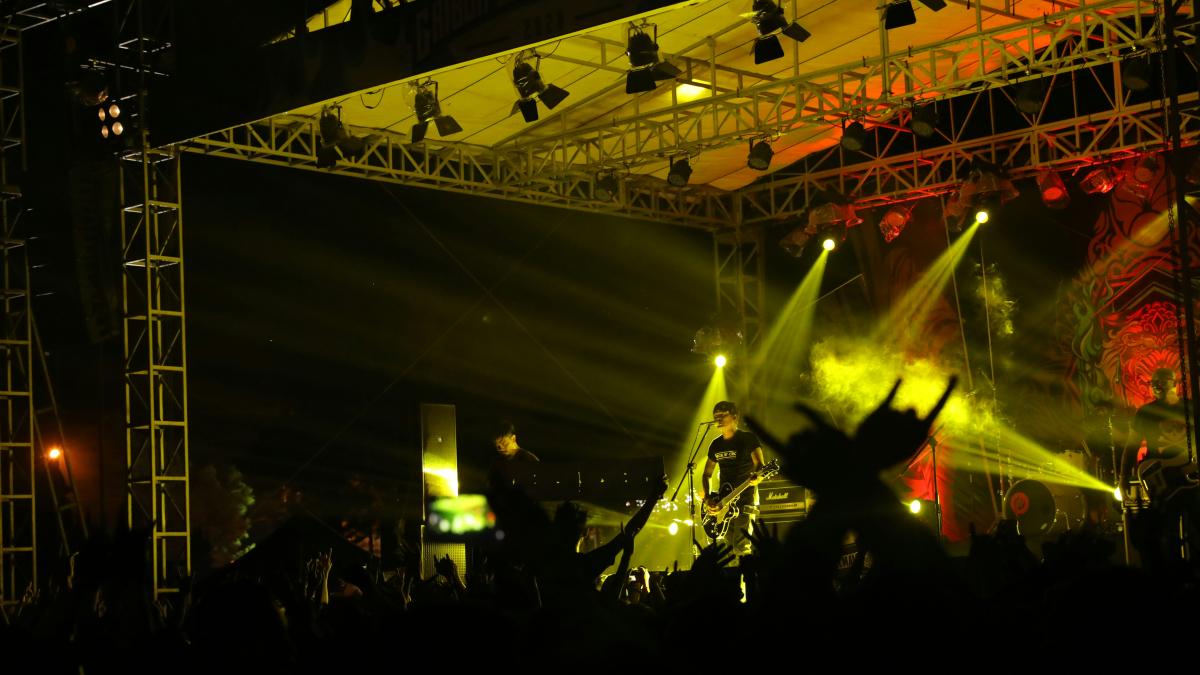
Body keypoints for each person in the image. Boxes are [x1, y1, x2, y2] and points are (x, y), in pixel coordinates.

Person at [700, 401, 765, 556]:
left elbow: (760, 465)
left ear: (735, 417)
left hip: (746, 498)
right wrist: (708, 497)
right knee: (728, 550)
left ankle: (747, 572)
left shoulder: (748, 438)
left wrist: (758, 477)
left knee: (742, 547)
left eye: (722, 415)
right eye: (716, 416)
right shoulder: (715, 444)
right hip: (724, 502)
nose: (718, 418)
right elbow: (707, 474)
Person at [488, 421, 539, 488]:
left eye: (504, 443)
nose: (500, 448)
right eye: (497, 445)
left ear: (513, 438)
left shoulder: (529, 460)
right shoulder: (497, 463)